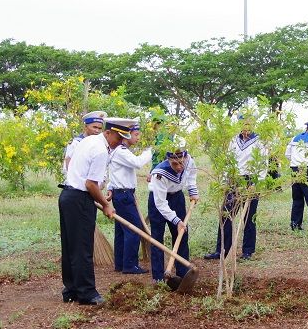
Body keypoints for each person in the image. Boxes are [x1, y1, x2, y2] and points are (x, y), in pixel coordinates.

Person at [58, 117, 132, 305]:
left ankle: (71, 290)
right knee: (83, 248)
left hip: (68, 197)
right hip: (80, 199)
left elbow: (88, 180)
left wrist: (100, 196)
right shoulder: (100, 150)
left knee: (70, 247)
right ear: (109, 132)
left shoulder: (89, 140)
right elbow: (90, 184)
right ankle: (87, 293)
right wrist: (106, 205)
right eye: (118, 139)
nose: (119, 144)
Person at [205, 117, 268, 261]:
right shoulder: (234, 140)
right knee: (226, 215)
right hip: (234, 180)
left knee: (249, 217)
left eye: (248, 123)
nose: (245, 127)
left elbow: (263, 164)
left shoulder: (260, 141)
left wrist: (256, 183)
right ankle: (222, 250)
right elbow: (228, 161)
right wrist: (225, 181)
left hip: (251, 180)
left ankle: (247, 250)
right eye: (243, 124)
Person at [147, 142, 199, 284]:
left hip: (177, 198)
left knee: (181, 235)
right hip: (159, 201)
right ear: (168, 160)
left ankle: (183, 274)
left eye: (181, 163)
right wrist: (176, 220)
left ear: (186, 157)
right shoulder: (159, 173)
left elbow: (191, 176)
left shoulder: (189, 162)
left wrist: (192, 191)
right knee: (157, 238)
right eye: (174, 164)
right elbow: (161, 204)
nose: (179, 167)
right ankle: (158, 277)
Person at [107, 122, 153, 274]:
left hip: (121, 194)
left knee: (122, 230)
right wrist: (151, 151)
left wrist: (110, 187)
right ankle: (129, 265)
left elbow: (114, 173)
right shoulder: (121, 151)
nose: (138, 138)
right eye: (136, 134)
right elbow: (138, 163)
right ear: (126, 135)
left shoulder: (119, 151)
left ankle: (120, 264)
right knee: (134, 228)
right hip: (124, 195)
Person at [287, 116, 308, 231]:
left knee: (297, 199)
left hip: (294, 170)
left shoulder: (294, 138)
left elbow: (287, 154)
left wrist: (295, 162)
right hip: (307, 170)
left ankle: (295, 225)